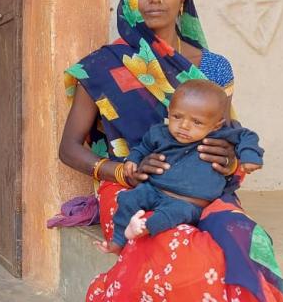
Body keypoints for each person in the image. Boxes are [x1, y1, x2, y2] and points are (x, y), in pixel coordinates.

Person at [58, 0, 283, 301]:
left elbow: (228, 131)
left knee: (246, 239)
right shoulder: (102, 66)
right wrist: (124, 172)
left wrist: (230, 161)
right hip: (134, 190)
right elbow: (69, 148)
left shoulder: (213, 67)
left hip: (203, 188)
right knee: (180, 248)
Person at [98, 80, 264, 254]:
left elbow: (247, 136)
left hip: (189, 202)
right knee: (128, 199)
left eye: (197, 122)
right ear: (169, 111)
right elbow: (142, 147)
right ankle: (118, 241)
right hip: (154, 190)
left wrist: (250, 156)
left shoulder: (220, 136)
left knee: (172, 215)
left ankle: (144, 228)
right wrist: (133, 160)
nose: (184, 126)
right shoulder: (159, 133)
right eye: (177, 117)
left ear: (216, 125)